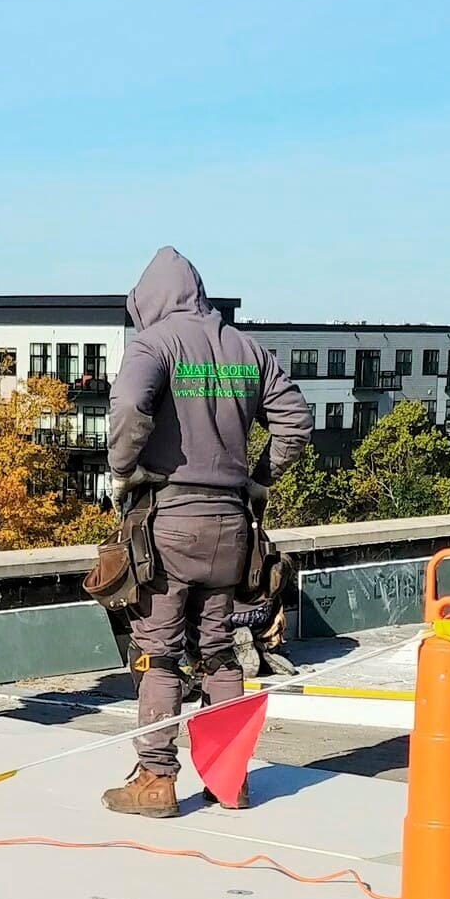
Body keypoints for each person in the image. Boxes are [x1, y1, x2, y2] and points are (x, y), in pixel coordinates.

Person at [102, 247, 312, 817]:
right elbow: (295, 421)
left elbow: (127, 404)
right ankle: (229, 780)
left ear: (146, 302)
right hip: (232, 528)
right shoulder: (246, 347)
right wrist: (260, 480)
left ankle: (155, 779)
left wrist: (124, 467)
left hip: (170, 521)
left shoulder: (153, 344)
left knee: (160, 654)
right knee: (220, 651)